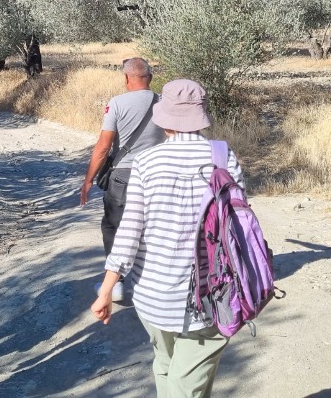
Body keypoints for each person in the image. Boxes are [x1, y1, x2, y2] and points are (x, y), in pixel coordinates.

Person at [91, 79, 245, 398]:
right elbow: (238, 226)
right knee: (185, 383)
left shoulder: (146, 163)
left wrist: (106, 289)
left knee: (166, 365)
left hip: (152, 297)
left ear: (163, 119)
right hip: (210, 296)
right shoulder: (223, 157)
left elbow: (129, 232)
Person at [80, 57, 164, 301]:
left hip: (124, 177)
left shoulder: (116, 103)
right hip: (156, 173)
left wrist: (88, 181)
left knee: (114, 227)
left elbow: (103, 147)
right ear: (150, 77)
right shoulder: (163, 103)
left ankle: (115, 284)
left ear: (127, 78)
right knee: (152, 227)